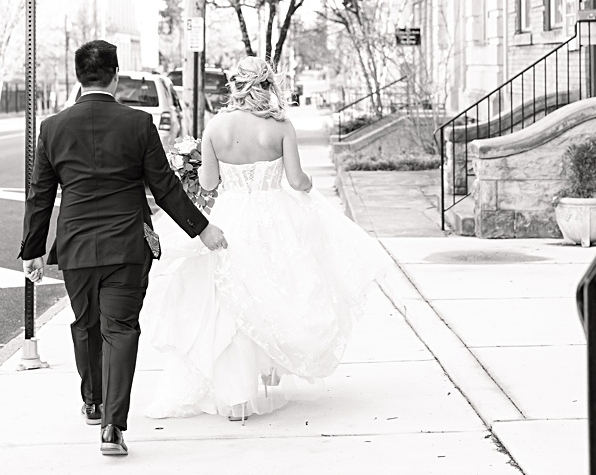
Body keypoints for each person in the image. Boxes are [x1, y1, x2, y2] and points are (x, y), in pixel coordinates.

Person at [141, 56, 395, 421]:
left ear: (235, 85)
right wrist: (308, 185)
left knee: (232, 301)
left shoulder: (216, 127)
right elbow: (296, 181)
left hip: (232, 219)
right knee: (278, 290)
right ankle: (269, 368)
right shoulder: (280, 127)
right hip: (274, 219)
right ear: (267, 85)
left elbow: (210, 184)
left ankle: (235, 394)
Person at [19, 40, 228, 458]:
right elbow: (164, 186)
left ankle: (93, 401)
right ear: (115, 75)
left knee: (86, 324)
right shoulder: (138, 123)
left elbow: (40, 194)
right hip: (128, 245)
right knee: (121, 330)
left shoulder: (53, 127)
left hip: (76, 246)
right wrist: (200, 228)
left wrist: (32, 250)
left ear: (80, 78)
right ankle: (113, 426)